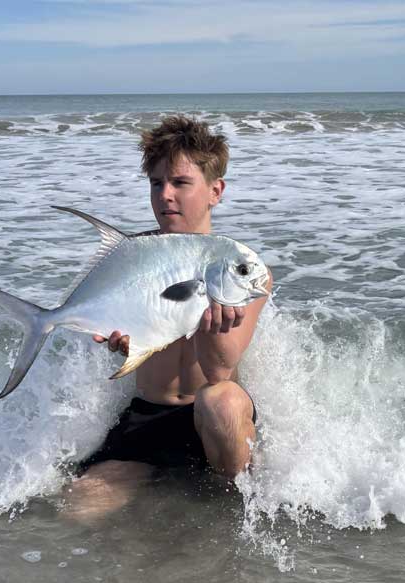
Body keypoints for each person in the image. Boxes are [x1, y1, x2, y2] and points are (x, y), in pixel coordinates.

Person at [63, 116, 271, 520]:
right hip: (147, 415)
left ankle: (230, 504)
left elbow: (221, 369)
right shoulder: (133, 254)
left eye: (180, 183)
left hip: (208, 421)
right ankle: (154, 483)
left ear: (216, 191)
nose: (165, 196)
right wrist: (121, 345)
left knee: (222, 401)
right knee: (75, 514)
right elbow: (129, 336)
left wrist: (212, 320)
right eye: (156, 184)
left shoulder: (239, 267)